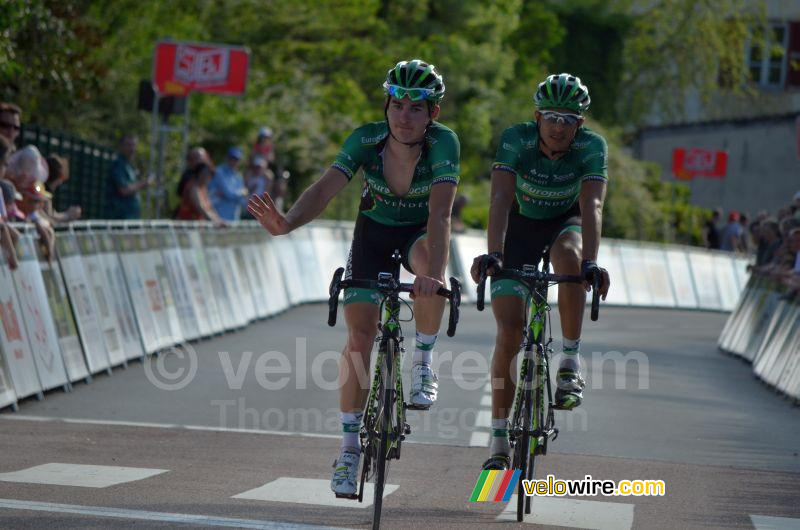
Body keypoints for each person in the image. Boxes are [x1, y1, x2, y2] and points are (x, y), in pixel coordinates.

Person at [248, 59, 459, 497]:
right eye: (397, 105)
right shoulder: (366, 139)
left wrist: (435, 275)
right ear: (386, 105)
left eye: (416, 108)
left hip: (419, 232)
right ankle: (348, 450)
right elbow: (326, 188)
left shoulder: (444, 144)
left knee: (429, 272)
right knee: (360, 339)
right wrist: (287, 223)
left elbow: (441, 213)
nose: (404, 116)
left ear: (433, 113)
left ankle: (423, 361)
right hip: (373, 235)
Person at [469, 73, 610, 471]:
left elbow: (593, 206)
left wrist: (591, 262)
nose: (558, 126)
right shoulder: (516, 139)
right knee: (509, 332)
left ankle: (569, 363)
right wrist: (494, 253)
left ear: (580, 123)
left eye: (568, 119)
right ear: (536, 117)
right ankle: (498, 438)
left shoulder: (592, 146)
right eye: (550, 116)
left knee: (570, 258)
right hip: (519, 227)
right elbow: (500, 197)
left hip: (565, 222)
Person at [105, 134, 151, 219]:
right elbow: (123, 190)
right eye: (128, 145)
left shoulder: (129, 165)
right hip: (120, 216)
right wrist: (143, 184)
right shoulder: (118, 165)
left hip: (131, 216)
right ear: (121, 146)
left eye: (134, 145)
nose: (132, 148)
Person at [209, 146, 247, 221]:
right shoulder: (219, 172)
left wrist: (238, 195)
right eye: (231, 158)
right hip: (218, 216)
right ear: (226, 158)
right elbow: (229, 194)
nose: (234, 161)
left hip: (234, 216)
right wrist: (242, 192)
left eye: (236, 159)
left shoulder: (238, 175)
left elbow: (242, 201)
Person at [44, 155, 81, 223]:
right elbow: (49, 217)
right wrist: (68, 215)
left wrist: (68, 215)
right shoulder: (44, 191)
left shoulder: (46, 190)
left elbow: (51, 214)